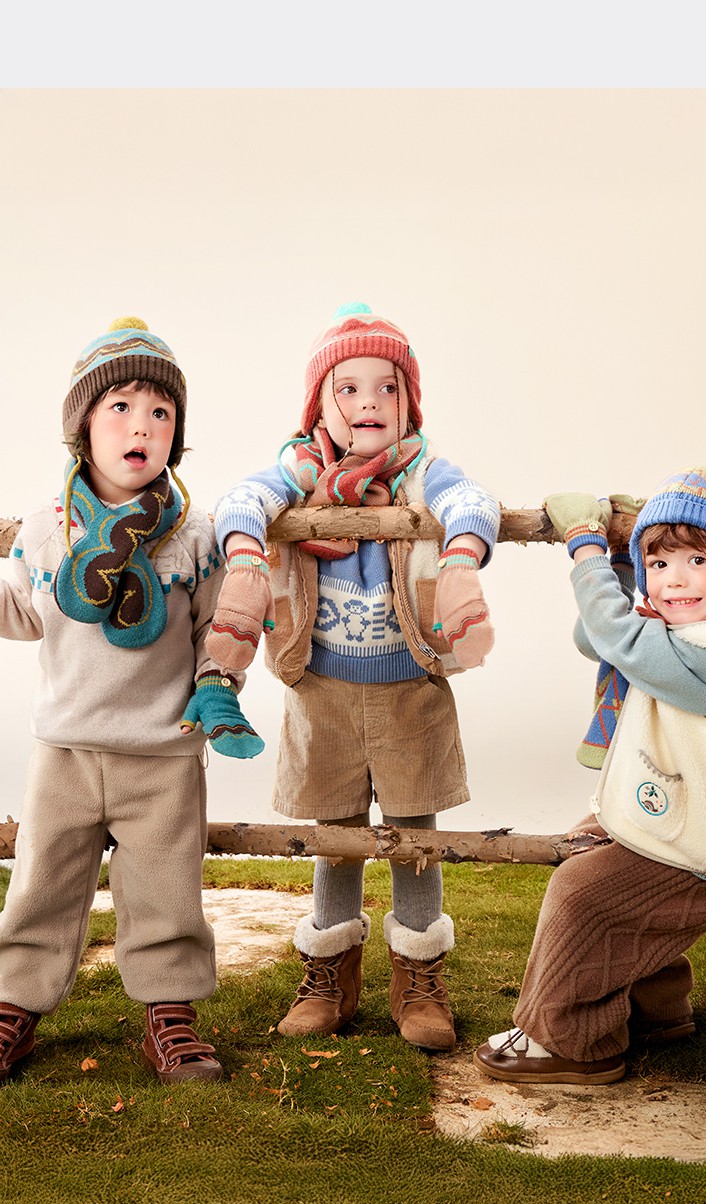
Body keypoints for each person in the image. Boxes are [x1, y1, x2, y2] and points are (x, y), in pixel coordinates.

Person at [208, 302, 500, 1049]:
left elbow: (471, 501)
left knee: (413, 837)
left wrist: (460, 558)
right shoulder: (295, 473)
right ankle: (330, 973)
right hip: (322, 690)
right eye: (349, 388)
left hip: (410, 689)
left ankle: (419, 977)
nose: (369, 402)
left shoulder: (424, 472)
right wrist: (246, 557)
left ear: (409, 402)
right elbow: (240, 500)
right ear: (321, 404)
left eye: (387, 388)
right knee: (334, 836)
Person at [0, 316, 262, 1084]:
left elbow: (219, 628)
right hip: (67, 748)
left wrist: (220, 685)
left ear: (176, 433)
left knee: (166, 888)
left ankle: (170, 1015)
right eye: (119, 406)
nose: (141, 425)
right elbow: (21, 611)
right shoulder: (46, 529)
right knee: (42, 881)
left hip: (163, 752)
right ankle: (13, 1003)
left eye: (160, 410)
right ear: (83, 423)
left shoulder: (197, 535)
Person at [474, 451, 706, 1085]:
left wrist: (587, 547)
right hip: (703, 815)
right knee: (595, 853)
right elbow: (596, 636)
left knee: (585, 894)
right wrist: (620, 563)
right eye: (658, 563)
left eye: (698, 560)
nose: (674, 580)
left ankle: (572, 1041)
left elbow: (617, 638)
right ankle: (655, 1008)